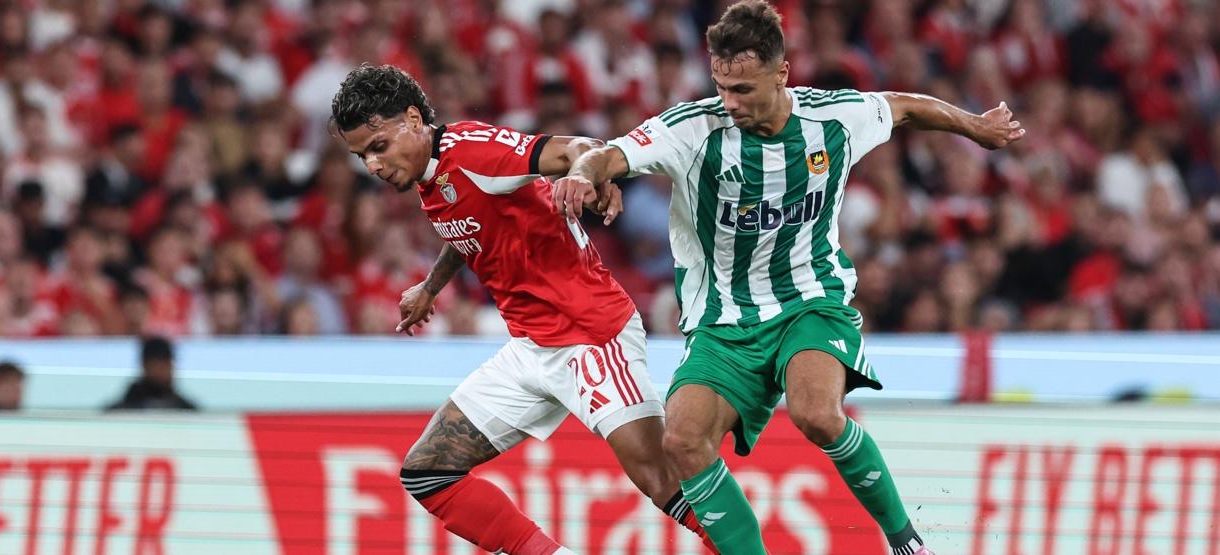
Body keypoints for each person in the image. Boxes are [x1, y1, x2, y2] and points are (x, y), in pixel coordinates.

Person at [554, 2, 1026, 553]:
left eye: (745, 90)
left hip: (809, 300)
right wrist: (583, 175)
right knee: (681, 439)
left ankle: (906, 540)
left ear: (782, 74)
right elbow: (610, 155)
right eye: (722, 87)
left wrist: (974, 126)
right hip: (722, 321)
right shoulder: (691, 129)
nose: (730, 103)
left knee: (817, 414)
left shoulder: (833, 118)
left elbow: (902, 108)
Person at [330, 64, 715, 555]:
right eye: (362, 155)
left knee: (665, 481)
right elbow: (472, 228)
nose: (373, 166)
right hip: (531, 348)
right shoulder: (433, 175)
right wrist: (430, 288)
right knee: (428, 472)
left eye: (378, 146)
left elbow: (577, 149)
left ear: (411, 118)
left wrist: (582, 174)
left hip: (590, 336)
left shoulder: (474, 151)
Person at [106, 335, 198, 410]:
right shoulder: (125, 409)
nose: (164, 371)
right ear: (145, 365)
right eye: (159, 364)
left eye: (168, 365)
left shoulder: (184, 409)